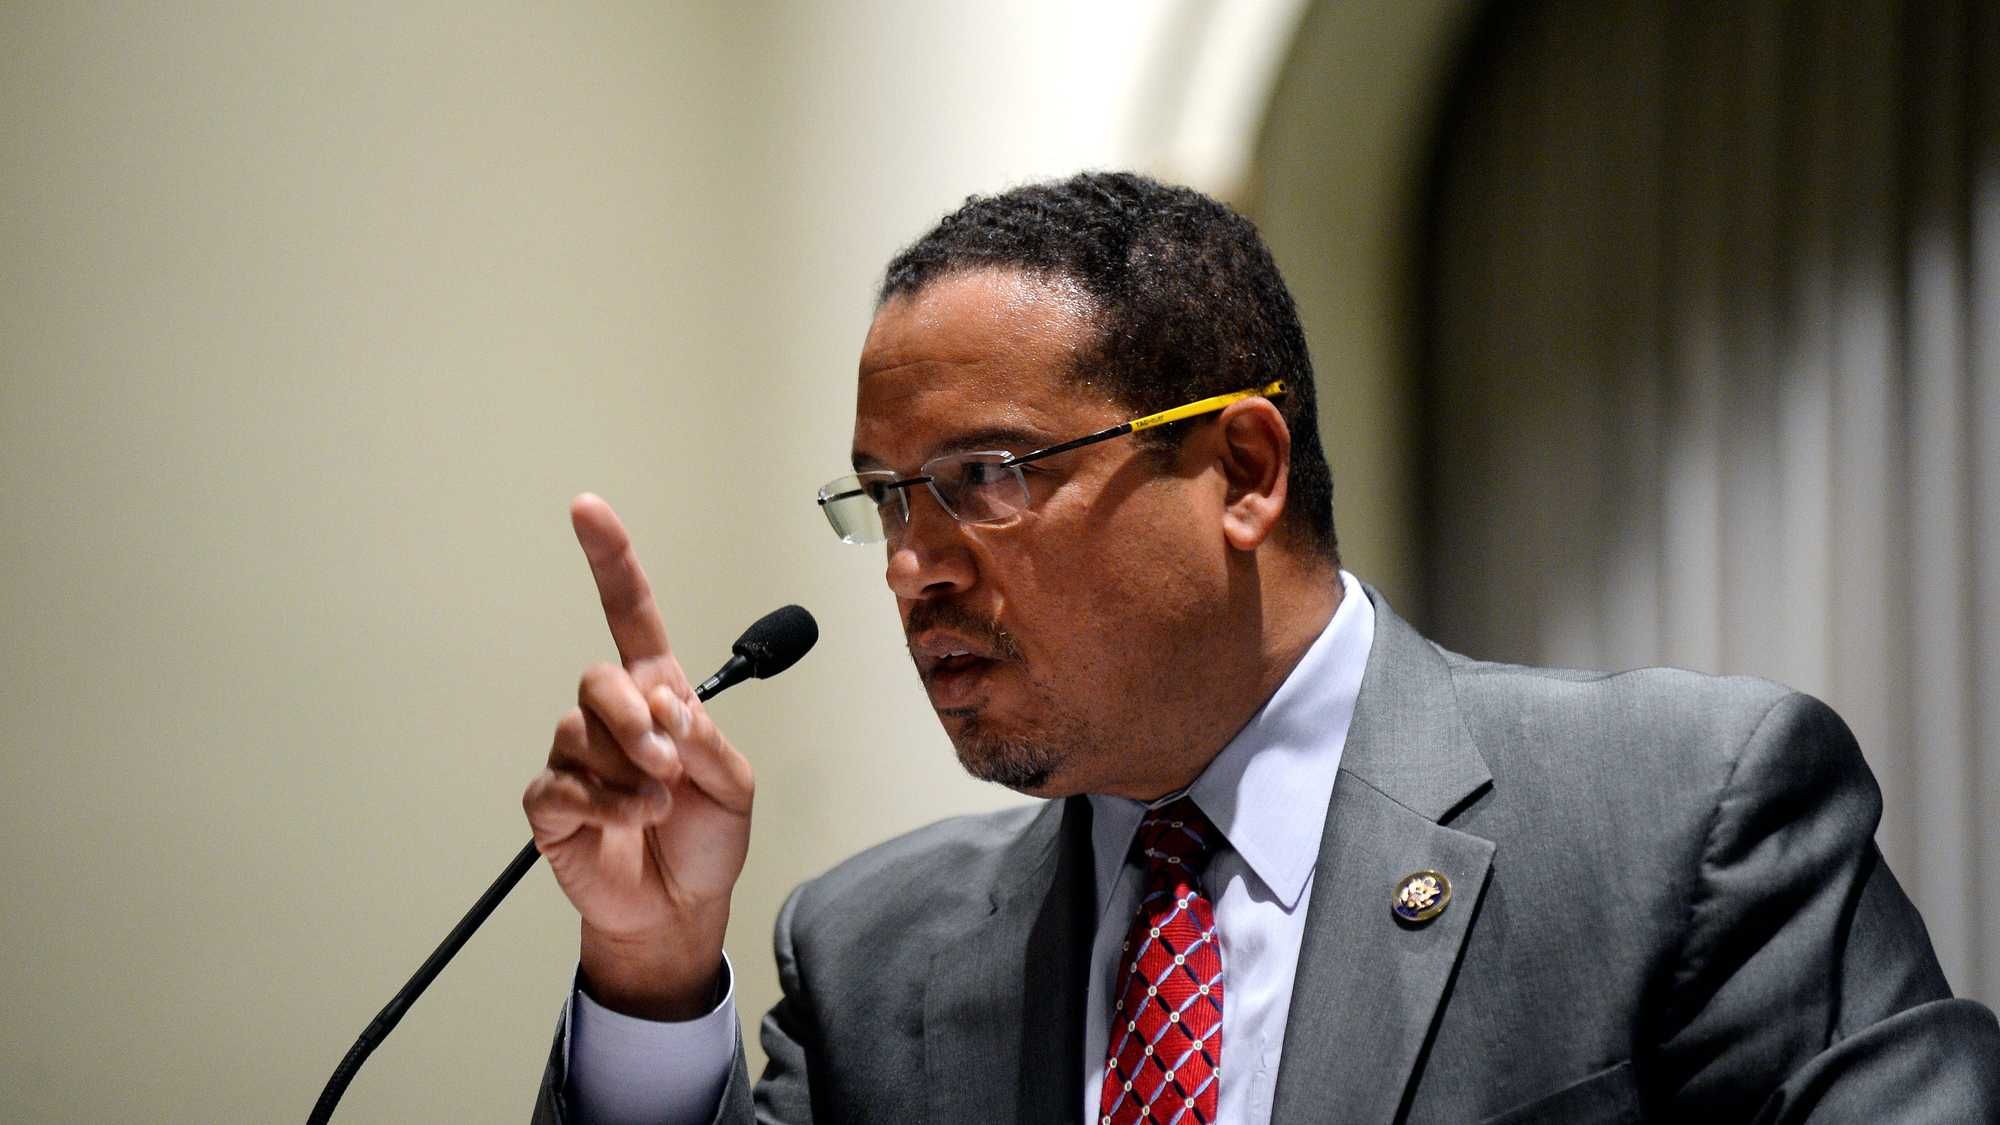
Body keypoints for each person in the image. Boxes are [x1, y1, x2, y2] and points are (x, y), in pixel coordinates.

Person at [524, 172, 2000, 1123]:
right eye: (888, 500)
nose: (915, 567)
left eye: (986, 476)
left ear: (1242, 470)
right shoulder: (870, 955)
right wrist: (651, 971)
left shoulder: (1680, 816)